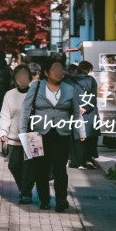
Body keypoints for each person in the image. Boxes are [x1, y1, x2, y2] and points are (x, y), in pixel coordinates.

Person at [19, 58, 86, 212]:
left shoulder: (69, 88)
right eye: (55, 69)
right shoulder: (36, 87)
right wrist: (22, 132)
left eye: (61, 69)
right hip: (36, 133)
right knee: (39, 169)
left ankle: (61, 199)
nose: (59, 72)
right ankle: (44, 199)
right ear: (46, 72)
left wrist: (81, 131)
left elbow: (76, 112)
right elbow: (25, 110)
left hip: (62, 132)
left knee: (60, 168)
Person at [0, 64, 37, 204]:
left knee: (30, 167)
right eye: (18, 76)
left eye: (24, 76)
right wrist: (3, 131)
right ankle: (24, 188)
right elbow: (5, 115)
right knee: (13, 165)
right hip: (14, 137)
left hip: (33, 137)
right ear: (14, 78)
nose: (21, 79)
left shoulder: (36, 93)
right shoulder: (10, 94)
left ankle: (26, 193)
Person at [68, 61, 99, 168]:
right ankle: (88, 159)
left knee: (77, 137)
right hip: (89, 113)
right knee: (89, 136)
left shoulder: (69, 80)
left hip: (75, 112)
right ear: (88, 70)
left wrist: (76, 108)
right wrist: (86, 108)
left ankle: (76, 161)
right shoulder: (91, 80)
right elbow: (93, 98)